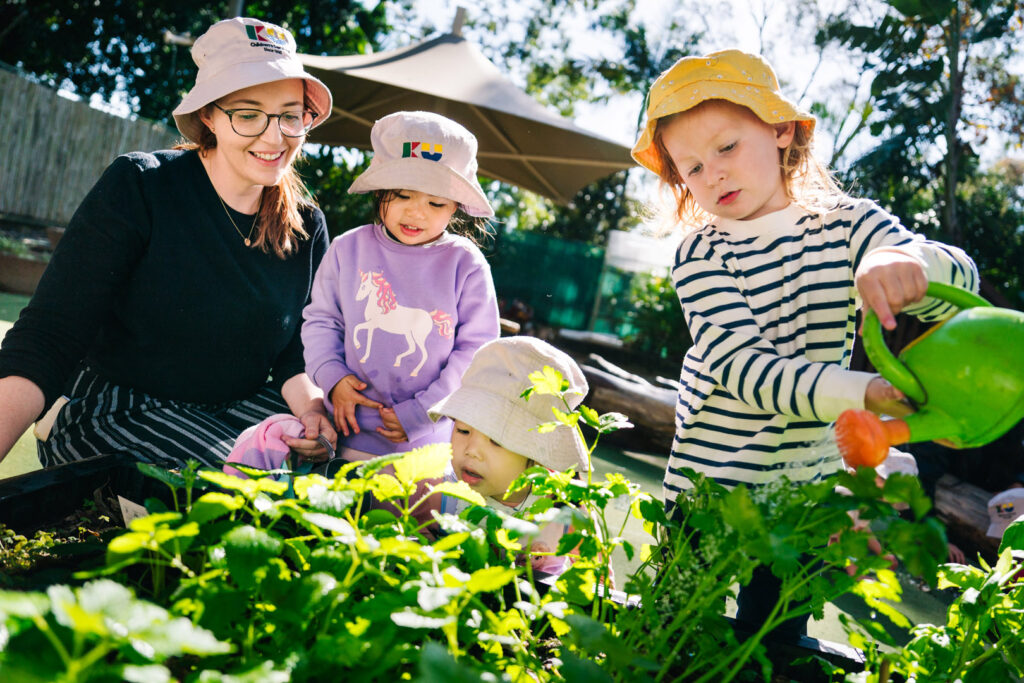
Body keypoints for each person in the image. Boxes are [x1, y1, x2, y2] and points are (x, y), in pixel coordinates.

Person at [630, 49, 978, 637]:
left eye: (726, 148)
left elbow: (959, 284)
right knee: (670, 628)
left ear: (781, 130)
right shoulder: (702, 253)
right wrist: (863, 392)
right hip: (712, 486)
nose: (711, 174)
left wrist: (908, 262)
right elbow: (745, 369)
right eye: (690, 167)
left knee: (774, 643)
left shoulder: (850, 225)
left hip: (803, 492)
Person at [0, 17, 338, 469]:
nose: (274, 136)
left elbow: (296, 353)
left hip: (235, 410)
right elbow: (48, 336)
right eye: (248, 113)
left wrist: (315, 410)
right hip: (115, 408)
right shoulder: (142, 187)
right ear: (209, 116)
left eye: (291, 115)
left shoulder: (307, 224)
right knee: (244, 495)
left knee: (346, 470)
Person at [301, 110, 501, 462]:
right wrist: (332, 378)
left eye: (435, 203)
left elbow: (477, 352)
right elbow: (322, 321)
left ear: (455, 207)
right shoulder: (348, 248)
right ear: (380, 191)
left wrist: (424, 411)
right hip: (338, 436)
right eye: (402, 195)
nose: (416, 212)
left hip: (426, 447)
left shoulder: (466, 264)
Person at [423, 335, 591, 575]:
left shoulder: (564, 511)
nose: (471, 450)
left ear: (537, 455)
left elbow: (598, 585)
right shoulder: (439, 492)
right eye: (462, 430)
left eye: (496, 440)